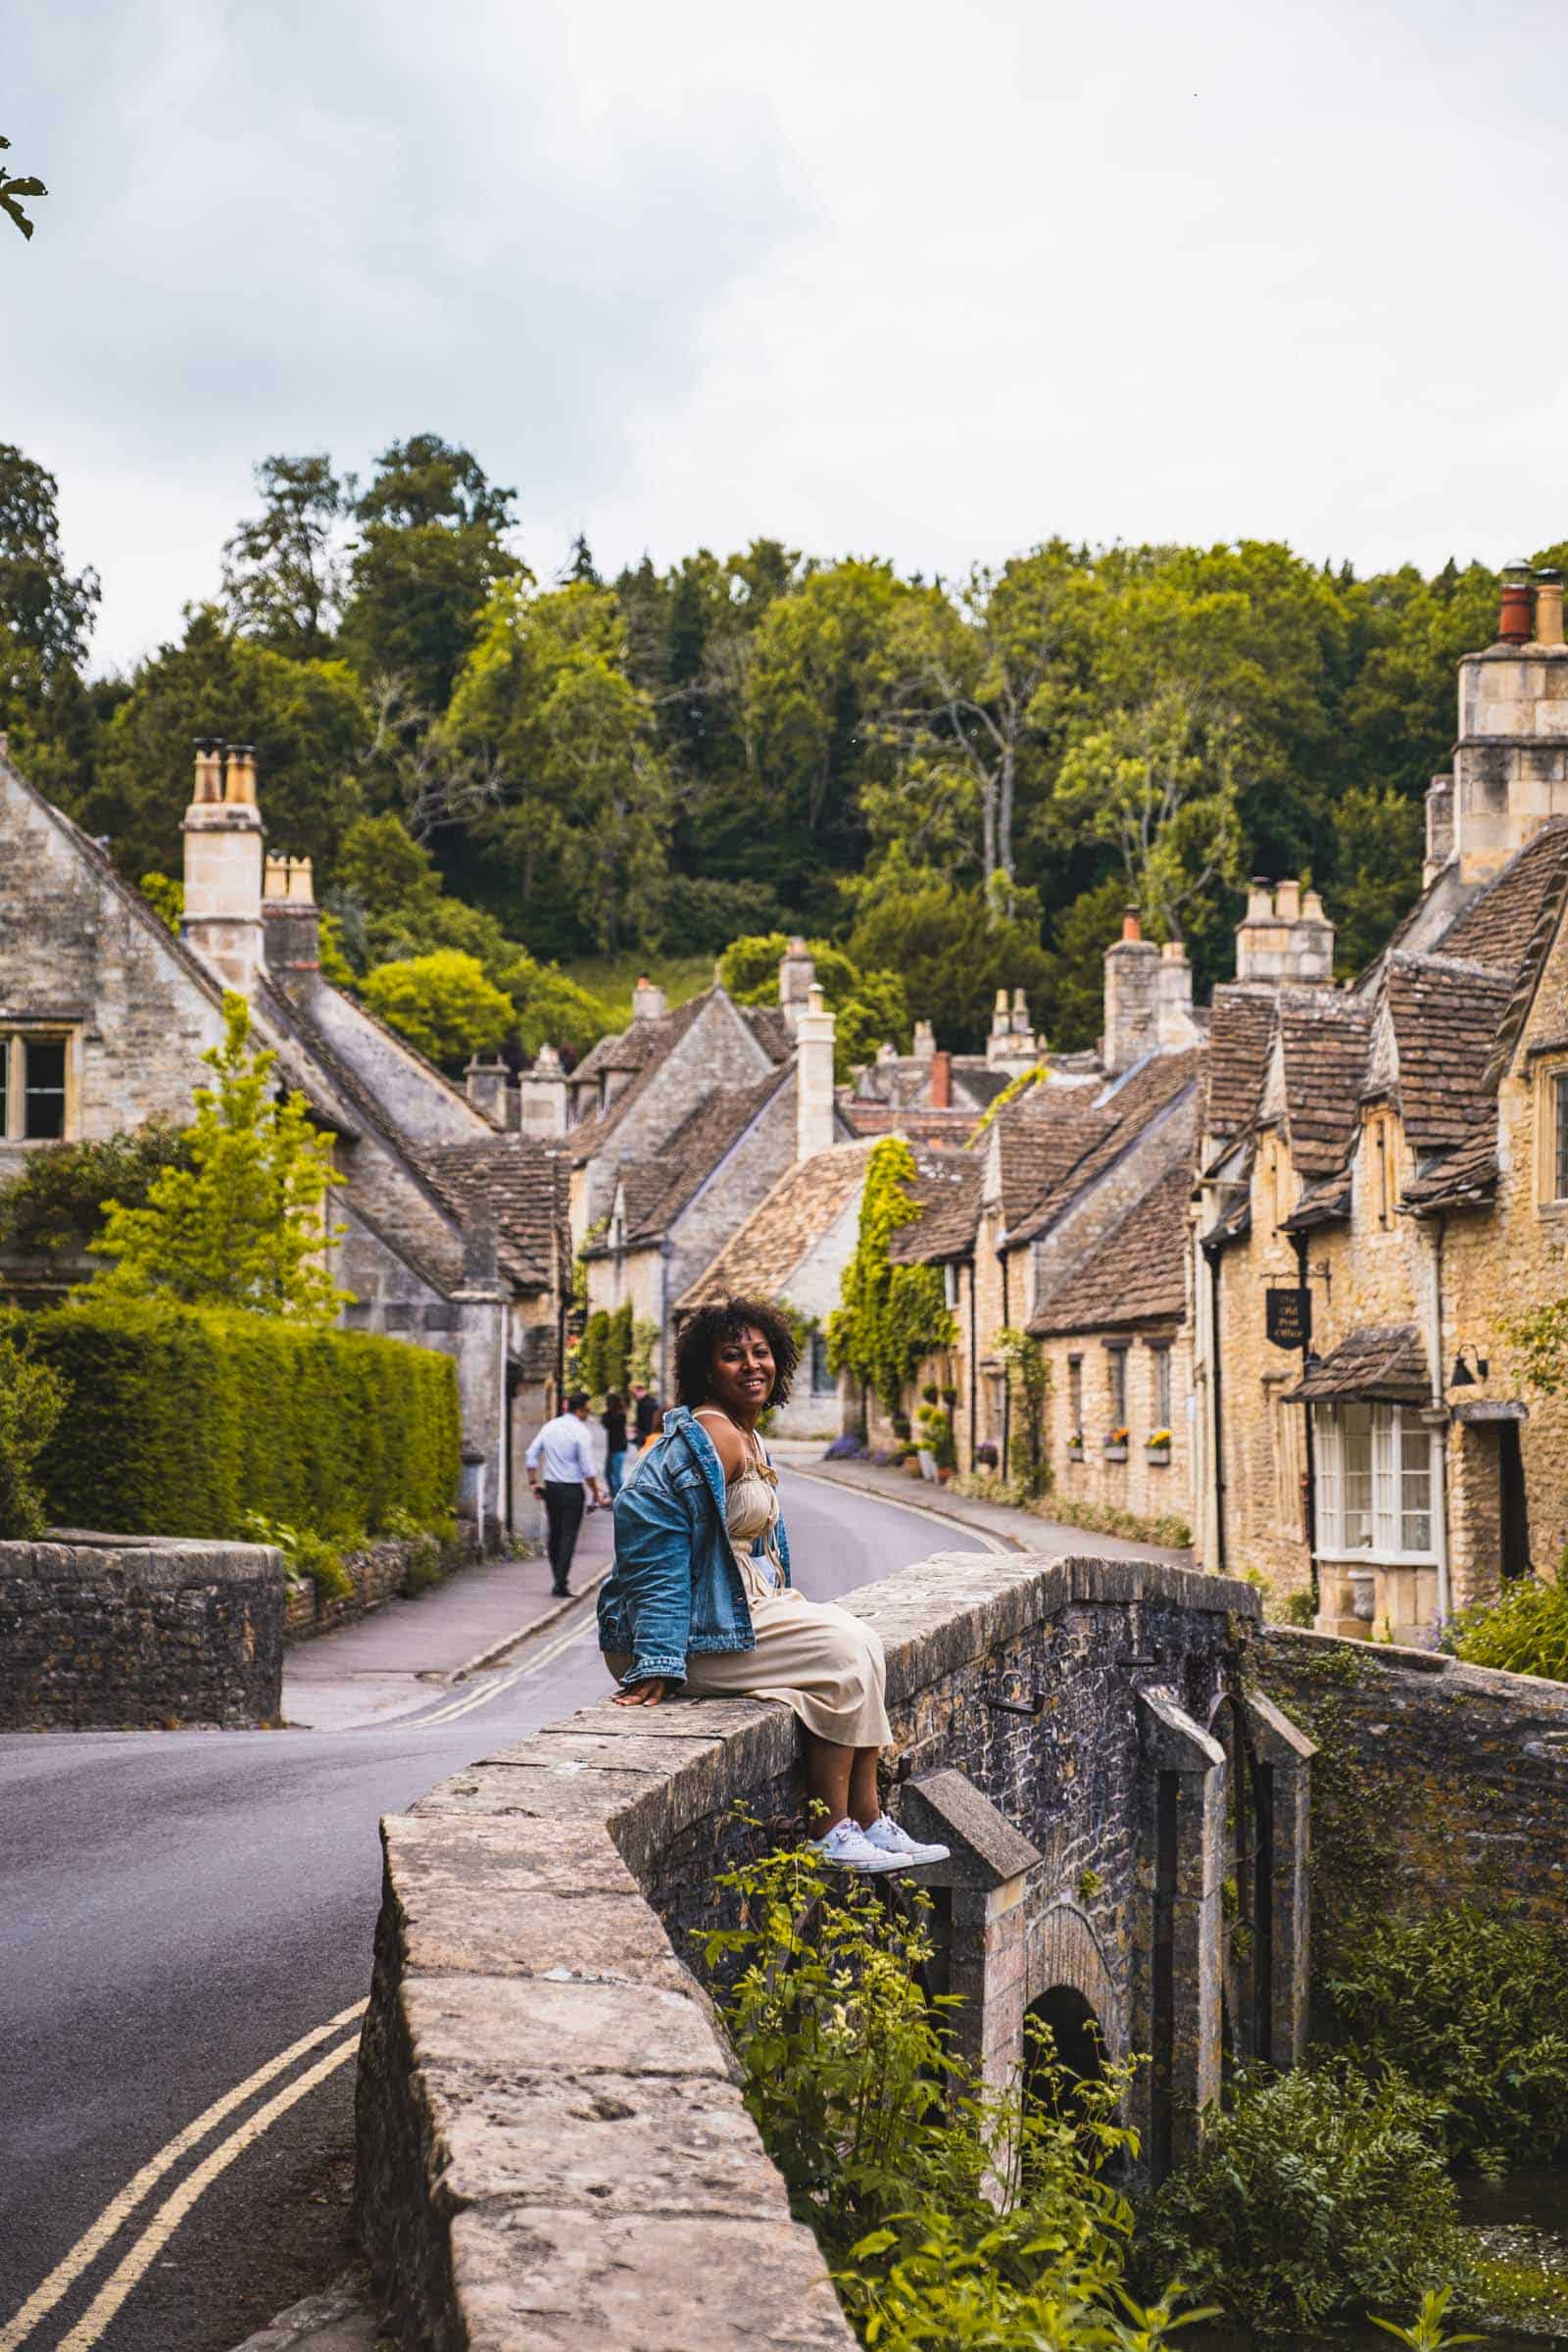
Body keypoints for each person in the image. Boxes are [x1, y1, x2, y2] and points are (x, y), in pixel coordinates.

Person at [598, 1297, 950, 1877]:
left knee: (862, 1641)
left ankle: (866, 1818)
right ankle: (828, 1830)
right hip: (686, 1628)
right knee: (838, 1656)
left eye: (761, 1353)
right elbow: (647, 1535)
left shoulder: (747, 1434)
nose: (751, 1365)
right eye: (733, 1356)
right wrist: (657, 1654)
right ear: (707, 1370)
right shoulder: (707, 1437)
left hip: (737, 1604)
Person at [525, 1392, 608, 1596]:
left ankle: (557, 1577)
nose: (588, 1414)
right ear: (579, 1410)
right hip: (572, 1489)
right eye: (587, 1410)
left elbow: (531, 1454)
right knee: (568, 1535)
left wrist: (533, 1482)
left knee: (554, 1533)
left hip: (552, 1487)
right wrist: (596, 1492)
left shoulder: (550, 1427)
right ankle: (561, 1582)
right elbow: (587, 1469)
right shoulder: (581, 1432)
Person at [602, 1391, 628, 1498]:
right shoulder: (610, 1415)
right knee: (607, 1473)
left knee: (616, 1476)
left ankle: (621, 1498)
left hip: (619, 1448)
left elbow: (608, 1423)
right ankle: (614, 1495)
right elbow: (604, 1422)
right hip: (612, 1448)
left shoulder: (621, 1415)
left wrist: (607, 1415)